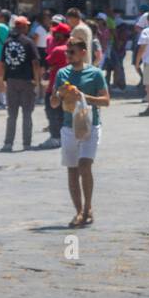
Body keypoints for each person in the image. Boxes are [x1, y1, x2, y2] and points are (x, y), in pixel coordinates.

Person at [49, 38, 110, 228]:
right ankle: (78, 211)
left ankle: (88, 208)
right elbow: (53, 103)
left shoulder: (95, 73)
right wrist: (59, 95)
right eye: (67, 52)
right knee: (72, 170)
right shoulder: (62, 73)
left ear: (83, 52)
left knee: (85, 166)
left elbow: (106, 101)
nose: (68, 55)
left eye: (72, 52)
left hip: (90, 125)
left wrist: (83, 96)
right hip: (68, 127)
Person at [0, 16, 41, 152]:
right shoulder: (28, 42)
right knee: (27, 113)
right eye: (26, 25)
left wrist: (5, 78)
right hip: (26, 81)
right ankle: (26, 144)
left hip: (11, 80)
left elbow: (3, 63)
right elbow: (35, 63)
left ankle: (8, 143)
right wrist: (37, 80)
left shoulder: (7, 42)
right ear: (23, 27)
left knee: (12, 114)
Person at [37, 22, 71, 150]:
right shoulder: (73, 47)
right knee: (65, 114)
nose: (53, 34)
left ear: (61, 35)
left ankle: (55, 138)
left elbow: (46, 63)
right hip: (70, 87)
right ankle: (66, 137)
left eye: (56, 33)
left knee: (52, 112)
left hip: (55, 87)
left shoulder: (58, 49)